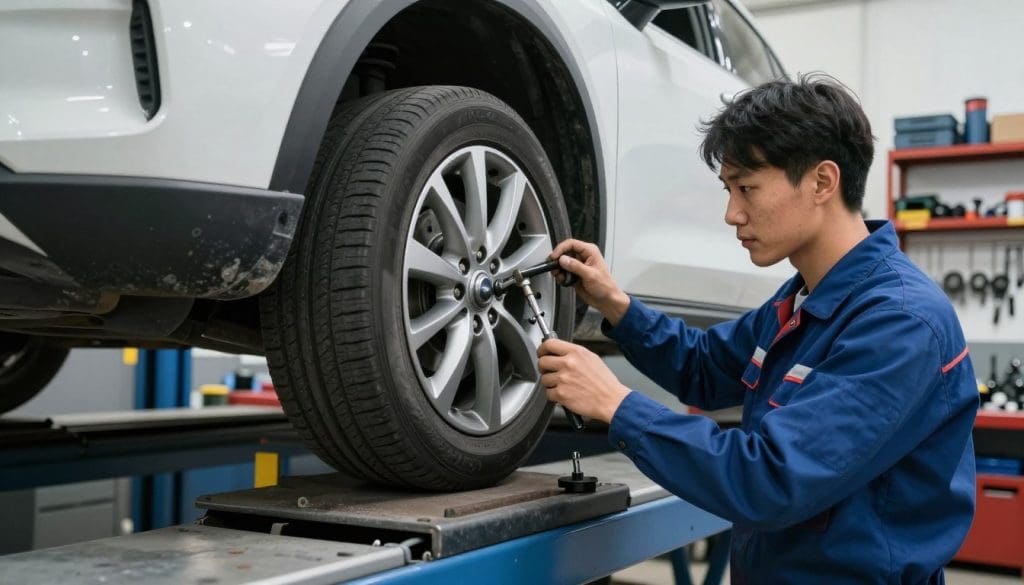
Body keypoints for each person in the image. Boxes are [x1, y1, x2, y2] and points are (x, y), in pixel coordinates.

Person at [538, 74, 977, 584]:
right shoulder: (803, 298)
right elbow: (704, 366)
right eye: (729, 189)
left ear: (822, 182)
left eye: (746, 187)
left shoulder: (899, 323)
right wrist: (617, 305)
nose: (731, 213)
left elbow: (770, 480)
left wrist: (617, 405)